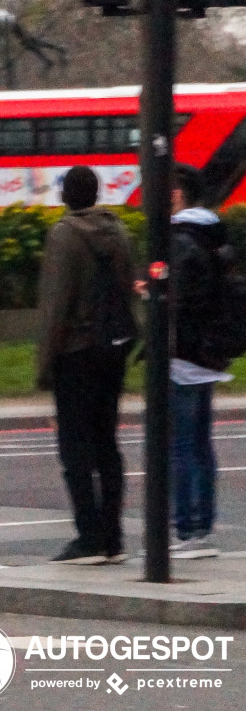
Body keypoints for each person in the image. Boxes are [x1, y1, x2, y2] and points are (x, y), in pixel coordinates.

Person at [36, 165, 138, 564]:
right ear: (96, 194)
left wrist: (45, 363)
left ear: (66, 195)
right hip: (113, 350)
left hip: (76, 352)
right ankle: (114, 537)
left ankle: (89, 536)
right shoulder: (119, 233)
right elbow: (128, 289)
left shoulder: (64, 236)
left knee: (74, 447)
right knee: (107, 443)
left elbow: (55, 305)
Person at [168, 163, 235, 559]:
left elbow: (178, 297)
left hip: (184, 354)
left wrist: (151, 291)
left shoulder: (180, 238)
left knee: (181, 445)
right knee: (201, 443)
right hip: (210, 352)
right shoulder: (214, 234)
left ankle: (187, 527)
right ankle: (202, 525)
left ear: (179, 193)